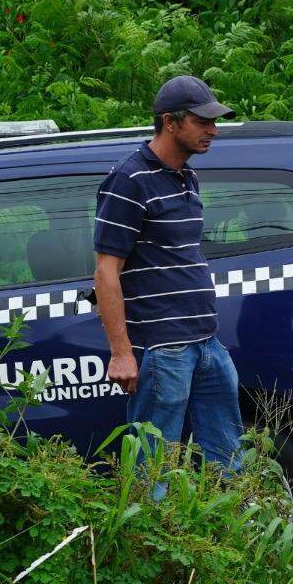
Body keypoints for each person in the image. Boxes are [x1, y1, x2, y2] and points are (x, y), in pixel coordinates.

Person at [94, 74, 244, 474]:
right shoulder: (128, 180)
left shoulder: (186, 176)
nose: (213, 130)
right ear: (170, 122)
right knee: (151, 467)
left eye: (214, 121)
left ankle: (232, 536)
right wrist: (122, 354)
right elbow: (106, 271)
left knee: (230, 459)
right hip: (163, 349)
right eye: (202, 121)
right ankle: (148, 535)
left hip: (206, 342)